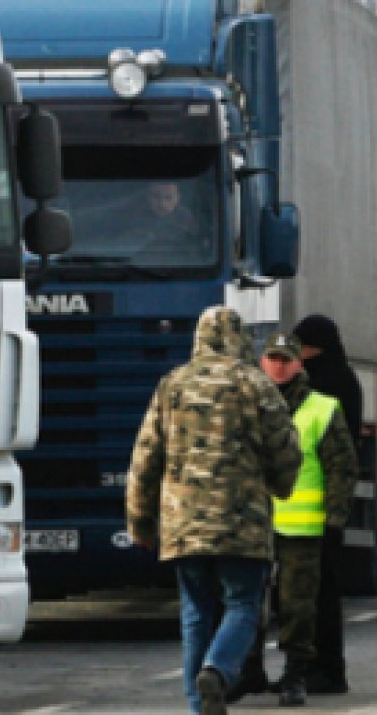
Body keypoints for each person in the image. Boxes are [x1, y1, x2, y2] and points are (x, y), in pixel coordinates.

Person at [126, 306, 303, 715]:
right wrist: (280, 486)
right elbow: (285, 451)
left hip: (183, 522)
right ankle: (218, 670)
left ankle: (197, 706)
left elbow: (145, 458)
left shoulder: (172, 385)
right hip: (242, 522)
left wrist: (140, 521)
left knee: (195, 613)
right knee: (242, 604)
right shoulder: (256, 386)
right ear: (242, 340)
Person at [233, 333, 358, 707]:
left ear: (299, 364)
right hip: (254, 524)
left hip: (303, 528)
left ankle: (295, 673)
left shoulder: (322, 408)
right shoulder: (245, 407)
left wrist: (334, 519)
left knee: (298, 605)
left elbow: (342, 467)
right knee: (247, 601)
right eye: (272, 358)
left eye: (286, 359)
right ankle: (249, 669)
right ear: (262, 363)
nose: (279, 365)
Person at [289, 313, 364, 695]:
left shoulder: (319, 386)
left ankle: (324, 669)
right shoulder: (346, 379)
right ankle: (327, 668)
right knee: (322, 591)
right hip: (327, 504)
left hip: (314, 506)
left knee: (315, 595)